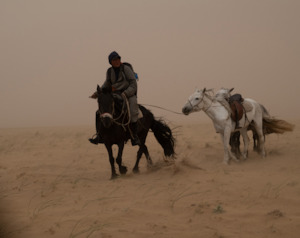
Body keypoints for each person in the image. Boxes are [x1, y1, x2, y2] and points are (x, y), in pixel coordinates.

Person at [89, 51, 141, 146]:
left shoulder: (126, 69)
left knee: (133, 110)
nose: (117, 61)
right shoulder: (109, 72)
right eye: (114, 60)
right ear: (110, 62)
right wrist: (97, 93)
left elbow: (134, 84)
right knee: (99, 112)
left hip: (129, 94)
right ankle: (99, 135)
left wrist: (125, 93)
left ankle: (134, 136)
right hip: (115, 94)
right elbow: (106, 84)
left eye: (118, 59)